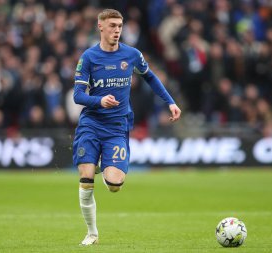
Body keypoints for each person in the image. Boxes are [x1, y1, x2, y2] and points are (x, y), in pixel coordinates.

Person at [72, 9, 181, 246]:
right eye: (112, 25)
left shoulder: (131, 55)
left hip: (117, 127)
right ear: (100, 27)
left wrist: (170, 102)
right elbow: (78, 96)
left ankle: (105, 165)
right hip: (91, 124)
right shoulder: (89, 57)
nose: (117, 30)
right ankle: (92, 233)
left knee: (114, 185)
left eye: (119, 26)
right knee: (86, 178)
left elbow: (150, 76)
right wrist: (99, 100)